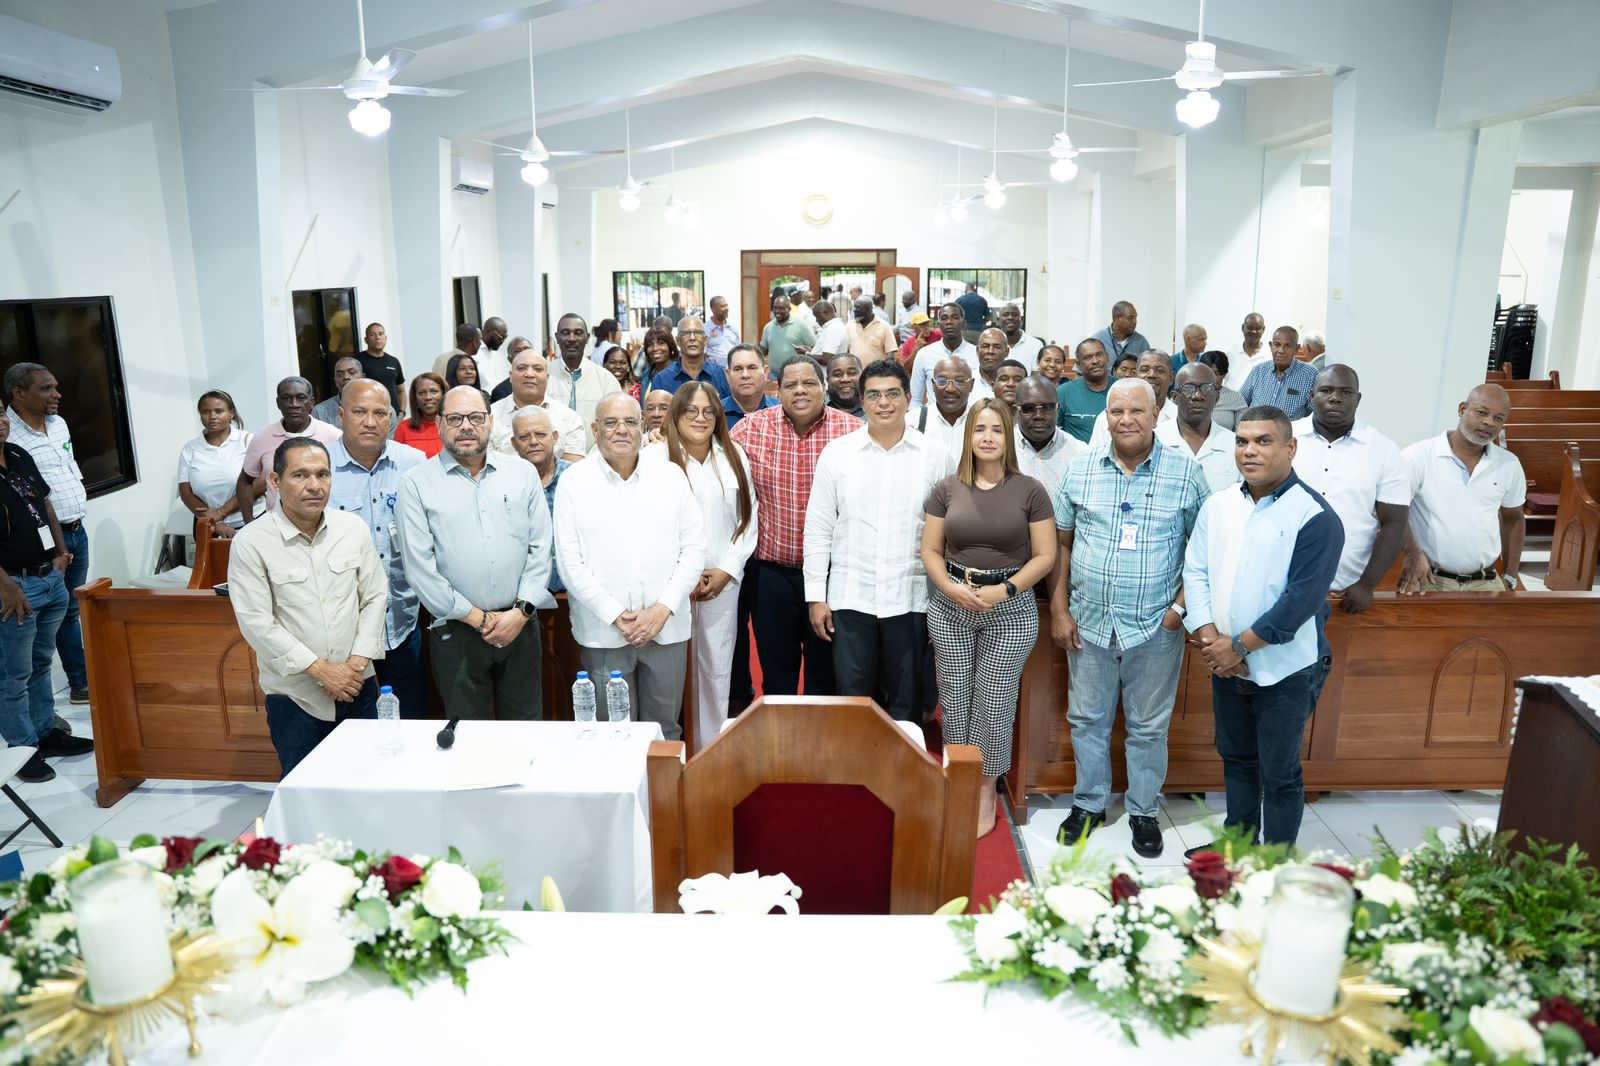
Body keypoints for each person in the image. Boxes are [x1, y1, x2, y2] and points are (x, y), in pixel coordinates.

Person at [1049, 378, 1208, 857]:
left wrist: (1178, 610)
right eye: (1116, 411)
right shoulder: (1080, 470)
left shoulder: (1186, 473)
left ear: (1156, 413)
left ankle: (1142, 810)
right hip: (1089, 621)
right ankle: (1089, 804)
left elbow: (1203, 551)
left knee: (1148, 727)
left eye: (1136, 411)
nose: (1125, 420)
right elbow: (1061, 544)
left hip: (1156, 625)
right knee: (1087, 720)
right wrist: (1059, 608)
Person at [1182, 406, 1344, 849]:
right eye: (1242, 441)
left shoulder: (1314, 516)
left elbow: (1300, 601)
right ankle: (1239, 844)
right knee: (1236, 758)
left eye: (1263, 441)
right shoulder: (1219, 505)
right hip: (1224, 660)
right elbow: (1196, 571)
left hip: (1284, 670)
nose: (1249, 450)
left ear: (1291, 447)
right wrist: (1212, 638)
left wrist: (1238, 647)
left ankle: (1275, 862)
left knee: (1280, 771)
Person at [922, 399, 1057, 836]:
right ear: (968, 437)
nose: (987, 437)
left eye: (996, 429)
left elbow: (1046, 555)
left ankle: (984, 788)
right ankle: (958, 779)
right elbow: (930, 550)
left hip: (1009, 609)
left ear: (1008, 437)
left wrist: (1005, 589)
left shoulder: (1030, 490)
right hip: (953, 604)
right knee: (955, 700)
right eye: (979, 429)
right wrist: (950, 588)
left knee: (994, 703)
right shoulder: (947, 489)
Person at [229, 437, 387, 775]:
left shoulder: (352, 529)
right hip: (296, 697)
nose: (314, 486)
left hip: (357, 685)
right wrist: (321, 671)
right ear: (275, 481)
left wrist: (356, 663)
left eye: (322, 474)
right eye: (300, 475)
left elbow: (375, 595)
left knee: (368, 782)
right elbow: (257, 622)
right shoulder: (251, 542)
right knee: (305, 789)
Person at [397, 386, 553, 720]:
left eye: (476, 417)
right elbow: (419, 568)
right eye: (455, 418)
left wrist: (521, 612)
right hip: (457, 631)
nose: (466, 426)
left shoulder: (522, 473)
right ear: (440, 424)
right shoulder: (415, 483)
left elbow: (541, 547)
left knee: (527, 730)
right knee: (468, 734)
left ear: (491, 421)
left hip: (520, 624)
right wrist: (477, 618)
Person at [556, 394, 704, 736]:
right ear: (595, 429)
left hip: (666, 628)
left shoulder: (671, 476)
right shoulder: (575, 482)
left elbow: (694, 549)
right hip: (603, 631)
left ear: (643, 426)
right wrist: (616, 615)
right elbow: (570, 563)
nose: (621, 430)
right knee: (611, 734)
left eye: (630, 422)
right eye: (610, 423)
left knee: (664, 730)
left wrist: (662, 609)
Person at [806, 359, 942, 723]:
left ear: (909, 398)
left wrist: (941, 600)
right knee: (853, 701)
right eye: (874, 395)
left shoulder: (934, 455)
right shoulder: (838, 453)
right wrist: (816, 596)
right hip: (851, 595)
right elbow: (818, 528)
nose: (884, 403)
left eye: (893, 394)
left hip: (911, 597)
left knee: (905, 704)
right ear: (862, 401)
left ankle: (902, 762)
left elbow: (944, 533)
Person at [730, 357, 858, 696]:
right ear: (778, 390)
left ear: (824, 387)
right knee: (777, 676)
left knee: (826, 676)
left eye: (809, 383)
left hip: (833, 577)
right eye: (790, 385)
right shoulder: (749, 430)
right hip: (772, 577)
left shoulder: (853, 432)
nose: (800, 390)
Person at [1291, 364, 1410, 709]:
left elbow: (1394, 523)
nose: (1335, 398)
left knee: (1328, 694)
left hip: (1344, 595)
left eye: (1345, 392)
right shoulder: (1286, 437)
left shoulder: (1383, 449)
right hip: (1282, 589)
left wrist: (1367, 584)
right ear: (1312, 395)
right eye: (1327, 390)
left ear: (1358, 399)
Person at [652, 383, 757, 746]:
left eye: (708, 411)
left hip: (720, 583)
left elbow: (748, 519)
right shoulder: (654, 457)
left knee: (716, 668)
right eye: (691, 411)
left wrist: (727, 570)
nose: (700, 418)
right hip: (669, 584)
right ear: (676, 415)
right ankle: (668, 748)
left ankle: (709, 747)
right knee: (667, 671)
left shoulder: (733, 455)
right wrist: (684, 576)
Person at [0, 396, 92, 782]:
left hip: (49, 576)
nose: (0, 421)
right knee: (13, 675)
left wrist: (60, 550)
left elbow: (46, 505)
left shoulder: (17, 455)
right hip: (14, 586)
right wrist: (5, 585)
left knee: (40, 663)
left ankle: (45, 733)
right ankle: (21, 749)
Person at [328, 379, 427, 719]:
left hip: (402, 618)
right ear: (341, 415)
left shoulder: (414, 463)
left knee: (410, 717)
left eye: (380, 413)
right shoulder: (319, 466)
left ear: (392, 418)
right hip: (344, 628)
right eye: (359, 412)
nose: (370, 422)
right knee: (354, 726)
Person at [1399, 384, 1525, 593]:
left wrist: (1511, 575)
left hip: (1486, 582)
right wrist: (1413, 554)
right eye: (1482, 412)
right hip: (1429, 579)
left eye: (1498, 418)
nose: (1489, 422)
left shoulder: (1508, 464)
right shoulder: (1417, 456)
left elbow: (1514, 519)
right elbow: (1393, 512)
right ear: (1462, 409)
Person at [236, 376, 340, 522]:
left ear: (312, 402)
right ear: (278, 403)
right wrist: (249, 520)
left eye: (301, 398)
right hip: (277, 525)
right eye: (287, 398)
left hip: (326, 522)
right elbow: (244, 481)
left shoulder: (333, 435)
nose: (294, 404)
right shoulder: (262, 438)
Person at [510, 406, 572, 595]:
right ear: (514, 443)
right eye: (524, 437)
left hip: (573, 589)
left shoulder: (575, 477)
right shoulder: (505, 482)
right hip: (521, 591)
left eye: (540, 434)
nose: (533, 442)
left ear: (554, 437)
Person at [178, 390, 254, 538]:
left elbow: (259, 484)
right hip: (209, 527)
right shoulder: (190, 449)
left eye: (219, 411)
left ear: (231, 413)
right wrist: (215, 522)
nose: (212, 416)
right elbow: (186, 493)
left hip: (250, 522)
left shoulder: (247, 440)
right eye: (206, 412)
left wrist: (221, 512)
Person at [488, 348, 586, 461]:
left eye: (538, 369)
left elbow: (573, 468)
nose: (529, 374)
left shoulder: (569, 419)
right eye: (521, 368)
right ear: (510, 376)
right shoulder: (489, 417)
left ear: (547, 377)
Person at [1158, 363, 1240, 495]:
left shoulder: (1234, 445)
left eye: (1206, 388)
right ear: (1174, 397)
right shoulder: (1155, 440)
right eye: (1188, 388)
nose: (1197, 395)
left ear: (1217, 397)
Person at [547, 313, 623, 443]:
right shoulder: (544, 376)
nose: (572, 338)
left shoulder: (606, 380)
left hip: (594, 453)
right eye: (565, 333)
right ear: (557, 337)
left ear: (587, 338)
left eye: (578, 333)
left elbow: (617, 423)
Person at [1012, 375, 1084, 493]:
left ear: (1058, 409)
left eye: (1047, 408)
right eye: (1028, 408)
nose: (1039, 416)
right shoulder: (1001, 449)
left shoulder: (1079, 453)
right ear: (1016, 411)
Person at [1088, 350, 1176, 446]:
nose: (1151, 375)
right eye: (1144, 370)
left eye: (1159, 370)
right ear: (1136, 375)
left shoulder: (1180, 417)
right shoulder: (1107, 419)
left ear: (1171, 378)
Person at [915, 355, 980, 472]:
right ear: (933, 385)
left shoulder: (982, 421)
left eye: (959, 381)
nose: (950, 389)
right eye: (942, 381)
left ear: (971, 385)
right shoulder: (914, 421)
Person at [1242, 326, 1318, 420]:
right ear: (1271, 346)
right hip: (1254, 427)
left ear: (1297, 348)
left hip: (1289, 429)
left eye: (1287, 346)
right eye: (1277, 344)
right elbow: (1240, 403)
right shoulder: (1258, 371)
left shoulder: (1310, 375)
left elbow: (1315, 412)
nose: (1281, 350)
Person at [910, 303, 980, 407]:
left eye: (955, 317)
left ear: (964, 324)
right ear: (938, 324)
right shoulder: (924, 355)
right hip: (934, 415)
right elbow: (916, 400)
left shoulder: (977, 354)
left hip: (970, 414)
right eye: (944, 318)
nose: (949, 322)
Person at [651, 315, 732, 402]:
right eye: (686, 334)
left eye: (698, 333)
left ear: (705, 340)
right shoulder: (662, 379)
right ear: (678, 341)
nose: (692, 338)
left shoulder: (721, 376)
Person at [1056, 338, 1111, 443]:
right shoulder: (1063, 393)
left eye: (1099, 355)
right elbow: (1054, 433)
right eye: (1088, 357)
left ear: (1107, 357)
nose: (1095, 361)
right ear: (1078, 364)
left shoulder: (1122, 388)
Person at [760, 294, 817, 381]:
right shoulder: (768, 327)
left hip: (795, 375)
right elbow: (763, 350)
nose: (777, 311)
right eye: (775, 308)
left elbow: (815, 347)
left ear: (789, 309)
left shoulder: (801, 325)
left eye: (781, 308)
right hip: (774, 375)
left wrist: (806, 351)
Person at [721, 344, 778, 430]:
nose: (745, 375)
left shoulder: (781, 412)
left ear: (765, 373)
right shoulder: (715, 414)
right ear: (728, 375)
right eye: (738, 369)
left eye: (752, 368)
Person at [355, 322, 406, 416]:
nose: (377, 337)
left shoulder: (393, 361)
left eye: (380, 334)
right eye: (372, 334)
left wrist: (402, 413)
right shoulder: (357, 361)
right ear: (366, 340)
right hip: (369, 416)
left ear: (385, 338)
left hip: (392, 416)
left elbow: (401, 390)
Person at [393, 372, 446, 458]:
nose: (428, 397)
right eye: (422, 393)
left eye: (434, 391)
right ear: (415, 398)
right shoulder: (403, 429)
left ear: (444, 394)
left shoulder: (454, 427)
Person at [1197, 351, 1247, 430]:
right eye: (1206, 372)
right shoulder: (1191, 395)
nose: (1210, 377)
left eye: (1216, 373)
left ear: (1224, 374)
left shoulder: (1235, 398)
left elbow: (1244, 431)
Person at [1090, 301, 1149, 365]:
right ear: (1118, 318)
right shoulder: (1097, 339)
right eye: (1130, 318)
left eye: (1135, 318)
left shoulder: (1141, 342)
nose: (1135, 322)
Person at [311, 356, 364, 426]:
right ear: (335, 380)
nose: (346, 377)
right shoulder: (320, 411)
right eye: (340, 375)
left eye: (351, 372)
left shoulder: (376, 404)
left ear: (363, 377)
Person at [1225, 312, 1269, 391]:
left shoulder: (1270, 355)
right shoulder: (1229, 353)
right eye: (1250, 328)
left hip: (1259, 399)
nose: (1254, 331)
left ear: (1263, 329)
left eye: (1258, 328)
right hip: (1231, 398)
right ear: (1243, 327)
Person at [847, 297, 897, 362]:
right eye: (854, 307)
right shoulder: (850, 326)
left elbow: (891, 352)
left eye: (858, 308)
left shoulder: (884, 326)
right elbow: (846, 350)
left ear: (869, 310)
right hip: (855, 368)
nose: (854, 310)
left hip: (876, 368)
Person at [635, 325, 679, 398]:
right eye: (650, 345)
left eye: (661, 343)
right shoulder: (646, 375)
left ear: (670, 346)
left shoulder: (679, 374)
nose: (655, 348)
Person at [488, 336, 534, 404]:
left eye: (526, 349)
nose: (523, 354)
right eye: (517, 351)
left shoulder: (546, 382)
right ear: (510, 359)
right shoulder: (501, 391)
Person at [996, 304, 1041, 371]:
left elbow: (1036, 374)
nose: (1010, 317)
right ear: (998, 320)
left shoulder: (1035, 345)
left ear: (1021, 320)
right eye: (1005, 315)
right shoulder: (990, 345)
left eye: (1015, 315)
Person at [705, 296, 740, 367]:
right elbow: (702, 353)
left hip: (732, 369)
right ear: (713, 309)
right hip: (713, 371)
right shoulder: (705, 329)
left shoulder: (733, 329)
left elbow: (738, 351)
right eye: (722, 306)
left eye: (726, 305)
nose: (726, 309)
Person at [825, 353, 864, 418]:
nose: (845, 379)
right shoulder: (817, 410)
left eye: (852, 373)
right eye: (837, 374)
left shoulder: (876, 407)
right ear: (828, 380)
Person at [975, 327, 1009, 394]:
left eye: (997, 347)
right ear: (977, 350)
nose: (990, 351)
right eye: (985, 346)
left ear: (1007, 352)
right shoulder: (966, 381)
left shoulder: (1015, 385)